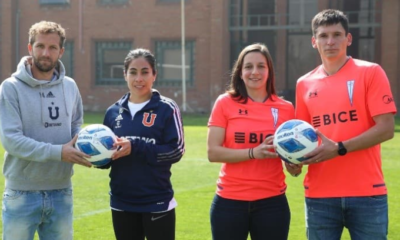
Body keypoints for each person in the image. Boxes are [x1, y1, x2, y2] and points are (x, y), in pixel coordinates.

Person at [292, 9, 397, 240]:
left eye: (337, 34)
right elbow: (303, 137)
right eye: (323, 36)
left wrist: (339, 147)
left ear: (348, 39)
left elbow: (386, 128)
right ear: (314, 41)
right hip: (319, 196)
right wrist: (294, 162)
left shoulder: (370, 72)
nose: (330, 41)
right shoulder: (304, 84)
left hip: (367, 193)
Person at [0, 21, 91, 240]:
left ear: (61, 51)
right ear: (30, 48)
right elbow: (11, 140)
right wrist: (59, 152)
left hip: (61, 191)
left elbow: (76, 125)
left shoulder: (70, 86)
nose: (45, 53)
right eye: (40, 46)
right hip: (21, 193)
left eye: (52, 48)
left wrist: (91, 147)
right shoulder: (10, 87)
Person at [207, 43, 295, 240]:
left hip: (272, 203)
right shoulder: (225, 103)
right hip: (229, 202)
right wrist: (254, 152)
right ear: (240, 72)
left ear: (269, 71)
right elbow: (213, 152)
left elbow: (291, 159)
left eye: (261, 66)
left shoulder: (286, 109)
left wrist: (294, 165)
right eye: (248, 66)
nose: (254, 72)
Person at [100, 48, 185, 240]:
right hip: (122, 201)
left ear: (154, 75)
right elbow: (107, 158)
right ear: (125, 75)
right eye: (133, 72)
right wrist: (98, 157)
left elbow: (176, 151)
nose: (139, 78)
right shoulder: (113, 112)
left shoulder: (167, 108)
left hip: (157, 201)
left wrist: (135, 146)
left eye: (145, 72)